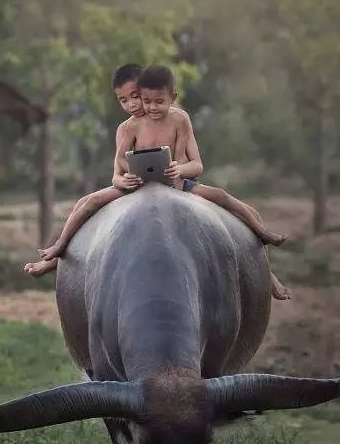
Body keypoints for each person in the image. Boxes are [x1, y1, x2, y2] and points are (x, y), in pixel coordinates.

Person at [24, 64, 290, 300]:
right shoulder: (127, 128)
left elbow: (195, 164)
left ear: (164, 96)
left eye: (136, 97)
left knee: (224, 198)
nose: (135, 105)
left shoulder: (179, 119)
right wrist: (123, 180)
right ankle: (57, 252)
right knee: (87, 202)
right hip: (136, 187)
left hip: (177, 185)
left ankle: (265, 259)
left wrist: (180, 169)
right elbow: (116, 171)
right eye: (124, 100)